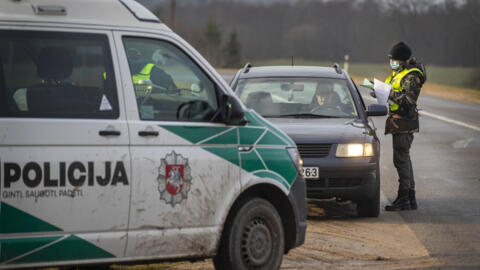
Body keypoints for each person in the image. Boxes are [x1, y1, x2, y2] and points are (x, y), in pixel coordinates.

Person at [383, 42, 426, 211]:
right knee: (404, 159)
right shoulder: (400, 73)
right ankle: (410, 198)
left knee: (401, 160)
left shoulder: (411, 77)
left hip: (404, 122)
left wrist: (388, 93)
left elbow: (408, 101)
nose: (391, 62)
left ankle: (403, 198)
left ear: (402, 60)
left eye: (394, 59)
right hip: (398, 122)